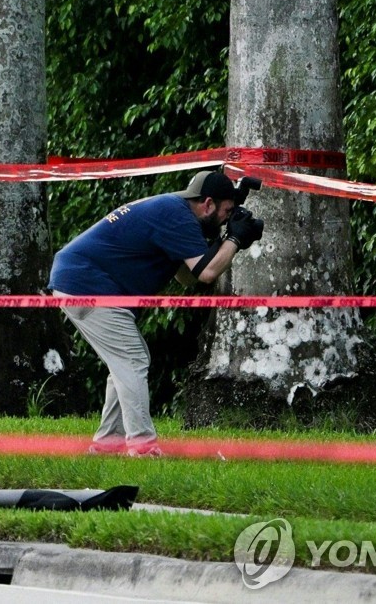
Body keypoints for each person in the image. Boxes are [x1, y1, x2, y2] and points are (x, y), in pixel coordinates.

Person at [48, 170, 264, 457]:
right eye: (226, 211)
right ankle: (142, 448)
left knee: (126, 362)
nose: (226, 219)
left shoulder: (174, 212)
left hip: (76, 279)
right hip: (84, 282)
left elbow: (186, 277)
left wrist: (228, 243)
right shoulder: (177, 216)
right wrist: (234, 240)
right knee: (132, 359)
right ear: (208, 204)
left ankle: (107, 445)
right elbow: (207, 273)